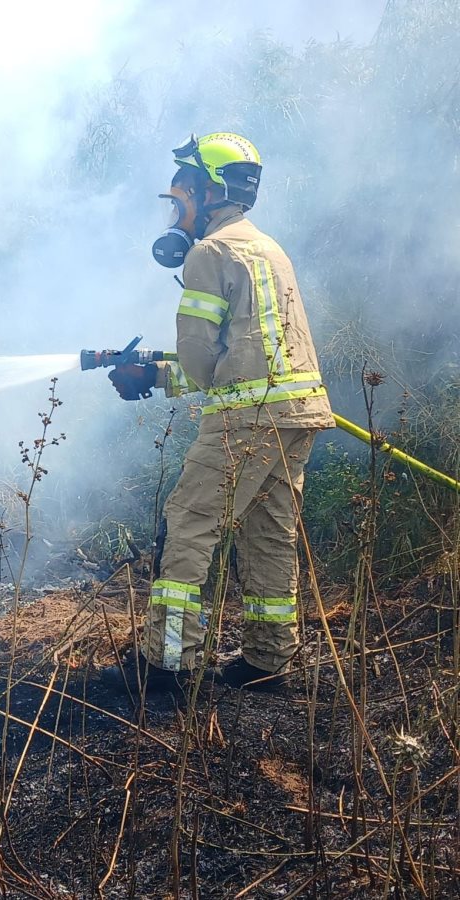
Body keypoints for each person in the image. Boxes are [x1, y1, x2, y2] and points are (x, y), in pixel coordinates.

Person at [105, 132, 334, 694]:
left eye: (180, 194)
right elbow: (245, 360)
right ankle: (269, 660)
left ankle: (169, 665)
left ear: (208, 191)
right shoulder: (268, 248)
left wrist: (156, 374)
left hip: (247, 420)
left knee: (188, 524)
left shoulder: (210, 253)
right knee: (269, 533)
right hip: (297, 414)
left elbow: (206, 364)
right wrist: (156, 376)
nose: (176, 207)